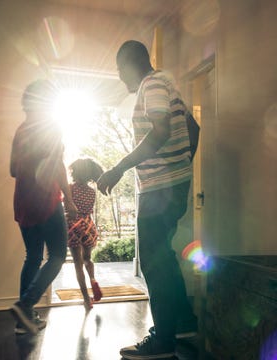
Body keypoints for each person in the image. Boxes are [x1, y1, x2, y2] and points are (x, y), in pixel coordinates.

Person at [97, 40, 198, 359]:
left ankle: (163, 341)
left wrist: (117, 168)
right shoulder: (167, 83)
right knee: (164, 258)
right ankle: (182, 322)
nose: (120, 77)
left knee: (155, 263)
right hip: (170, 186)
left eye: (119, 70)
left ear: (128, 65)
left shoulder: (152, 84)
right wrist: (183, 168)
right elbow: (194, 128)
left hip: (159, 190)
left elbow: (160, 131)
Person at [10, 79, 77, 335]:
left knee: (34, 256)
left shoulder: (22, 129)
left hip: (23, 200)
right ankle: (25, 305)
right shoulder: (51, 126)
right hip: (46, 199)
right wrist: (69, 200)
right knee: (58, 255)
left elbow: (12, 170)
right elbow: (58, 165)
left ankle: (23, 320)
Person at [67, 158, 104, 311]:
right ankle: (93, 279)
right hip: (88, 225)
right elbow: (88, 211)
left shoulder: (69, 188)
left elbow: (67, 207)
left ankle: (86, 299)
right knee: (88, 259)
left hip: (73, 226)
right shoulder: (91, 192)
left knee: (78, 265)